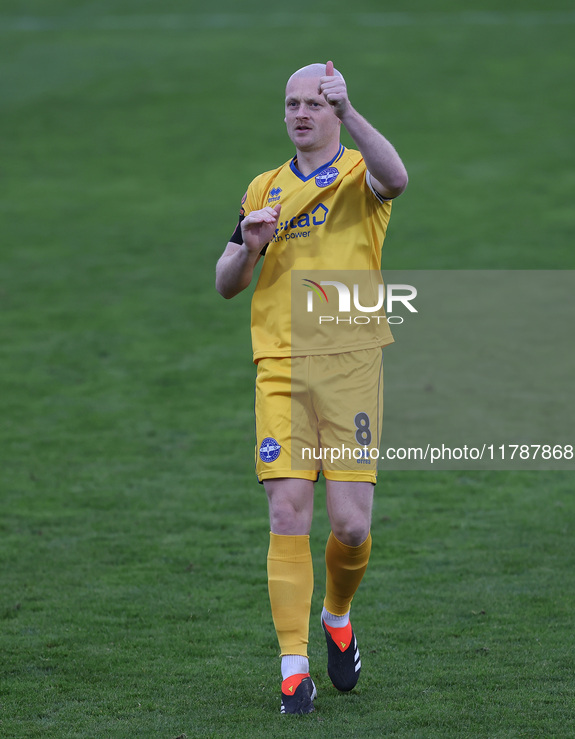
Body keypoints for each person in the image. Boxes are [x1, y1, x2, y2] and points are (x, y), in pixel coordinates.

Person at [215, 60, 407, 715]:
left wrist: (353, 111)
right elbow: (224, 279)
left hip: (350, 363)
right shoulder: (263, 187)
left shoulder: (360, 173)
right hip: (282, 367)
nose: (300, 113)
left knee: (351, 528)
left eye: (314, 104)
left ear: (333, 113)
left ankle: (336, 613)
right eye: (292, 103)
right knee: (287, 513)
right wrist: (250, 245)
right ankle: (293, 668)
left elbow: (398, 178)